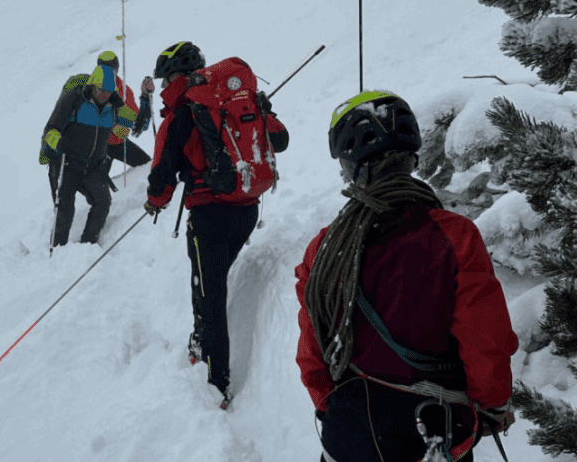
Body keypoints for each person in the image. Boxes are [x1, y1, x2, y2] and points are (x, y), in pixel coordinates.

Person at [294, 91, 518, 462]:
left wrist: (332, 406)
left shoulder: (324, 247)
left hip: (350, 433)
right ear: (410, 157)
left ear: (353, 167)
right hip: (433, 432)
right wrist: (492, 405)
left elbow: (313, 349)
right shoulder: (454, 235)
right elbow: (485, 339)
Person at [144, 41, 289, 406]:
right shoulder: (231, 103)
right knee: (214, 286)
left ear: (177, 76)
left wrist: (154, 202)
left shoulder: (183, 113)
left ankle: (215, 384)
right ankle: (202, 341)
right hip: (247, 208)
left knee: (210, 297)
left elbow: (163, 171)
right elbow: (281, 139)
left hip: (209, 215)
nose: (163, 88)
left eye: (165, 80)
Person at [40, 64, 124, 246]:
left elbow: (123, 124)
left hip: (92, 166)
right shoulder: (75, 99)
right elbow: (50, 128)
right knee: (65, 209)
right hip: (65, 163)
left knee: (103, 202)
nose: (104, 94)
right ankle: (58, 252)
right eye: (100, 89)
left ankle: (88, 246)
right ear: (93, 85)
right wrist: (58, 142)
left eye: (108, 91)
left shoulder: (113, 107)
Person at [95, 51, 153, 174]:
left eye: (112, 70)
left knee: (148, 166)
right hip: (98, 145)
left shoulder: (125, 91)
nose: (109, 73)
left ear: (117, 69)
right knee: (95, 182)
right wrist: (112, 127)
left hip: (118, 143)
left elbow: (140, 124)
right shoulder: (91, 88)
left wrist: (145, 98)